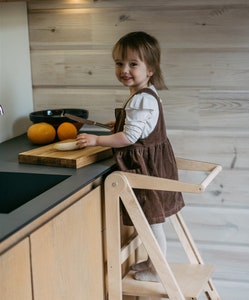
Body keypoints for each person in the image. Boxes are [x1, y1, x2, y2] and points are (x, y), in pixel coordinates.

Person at [76, 31, 184, 282]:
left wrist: (97, 139)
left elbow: (130, 138)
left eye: (133, 64)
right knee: (150, 222)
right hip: (154, 164)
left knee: (152, 223)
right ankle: (152, 261)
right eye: (119, 63)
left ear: (150, 69)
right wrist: (120, 124)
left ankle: (158, 270)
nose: (124, 69)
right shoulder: (147, 94)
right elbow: (140, 128)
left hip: (144, 169)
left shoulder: (140, 100)